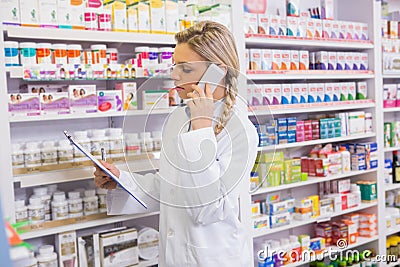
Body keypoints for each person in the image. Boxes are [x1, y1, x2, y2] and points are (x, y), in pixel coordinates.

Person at [94, 21, 258, 267]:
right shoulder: (178, 118)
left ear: (218, 71)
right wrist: (122, 180)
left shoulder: (241, 131)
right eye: (174, 66)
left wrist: (201, 130)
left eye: (186, 68)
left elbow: (209, 210)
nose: (173, 75)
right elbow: (169, 188)